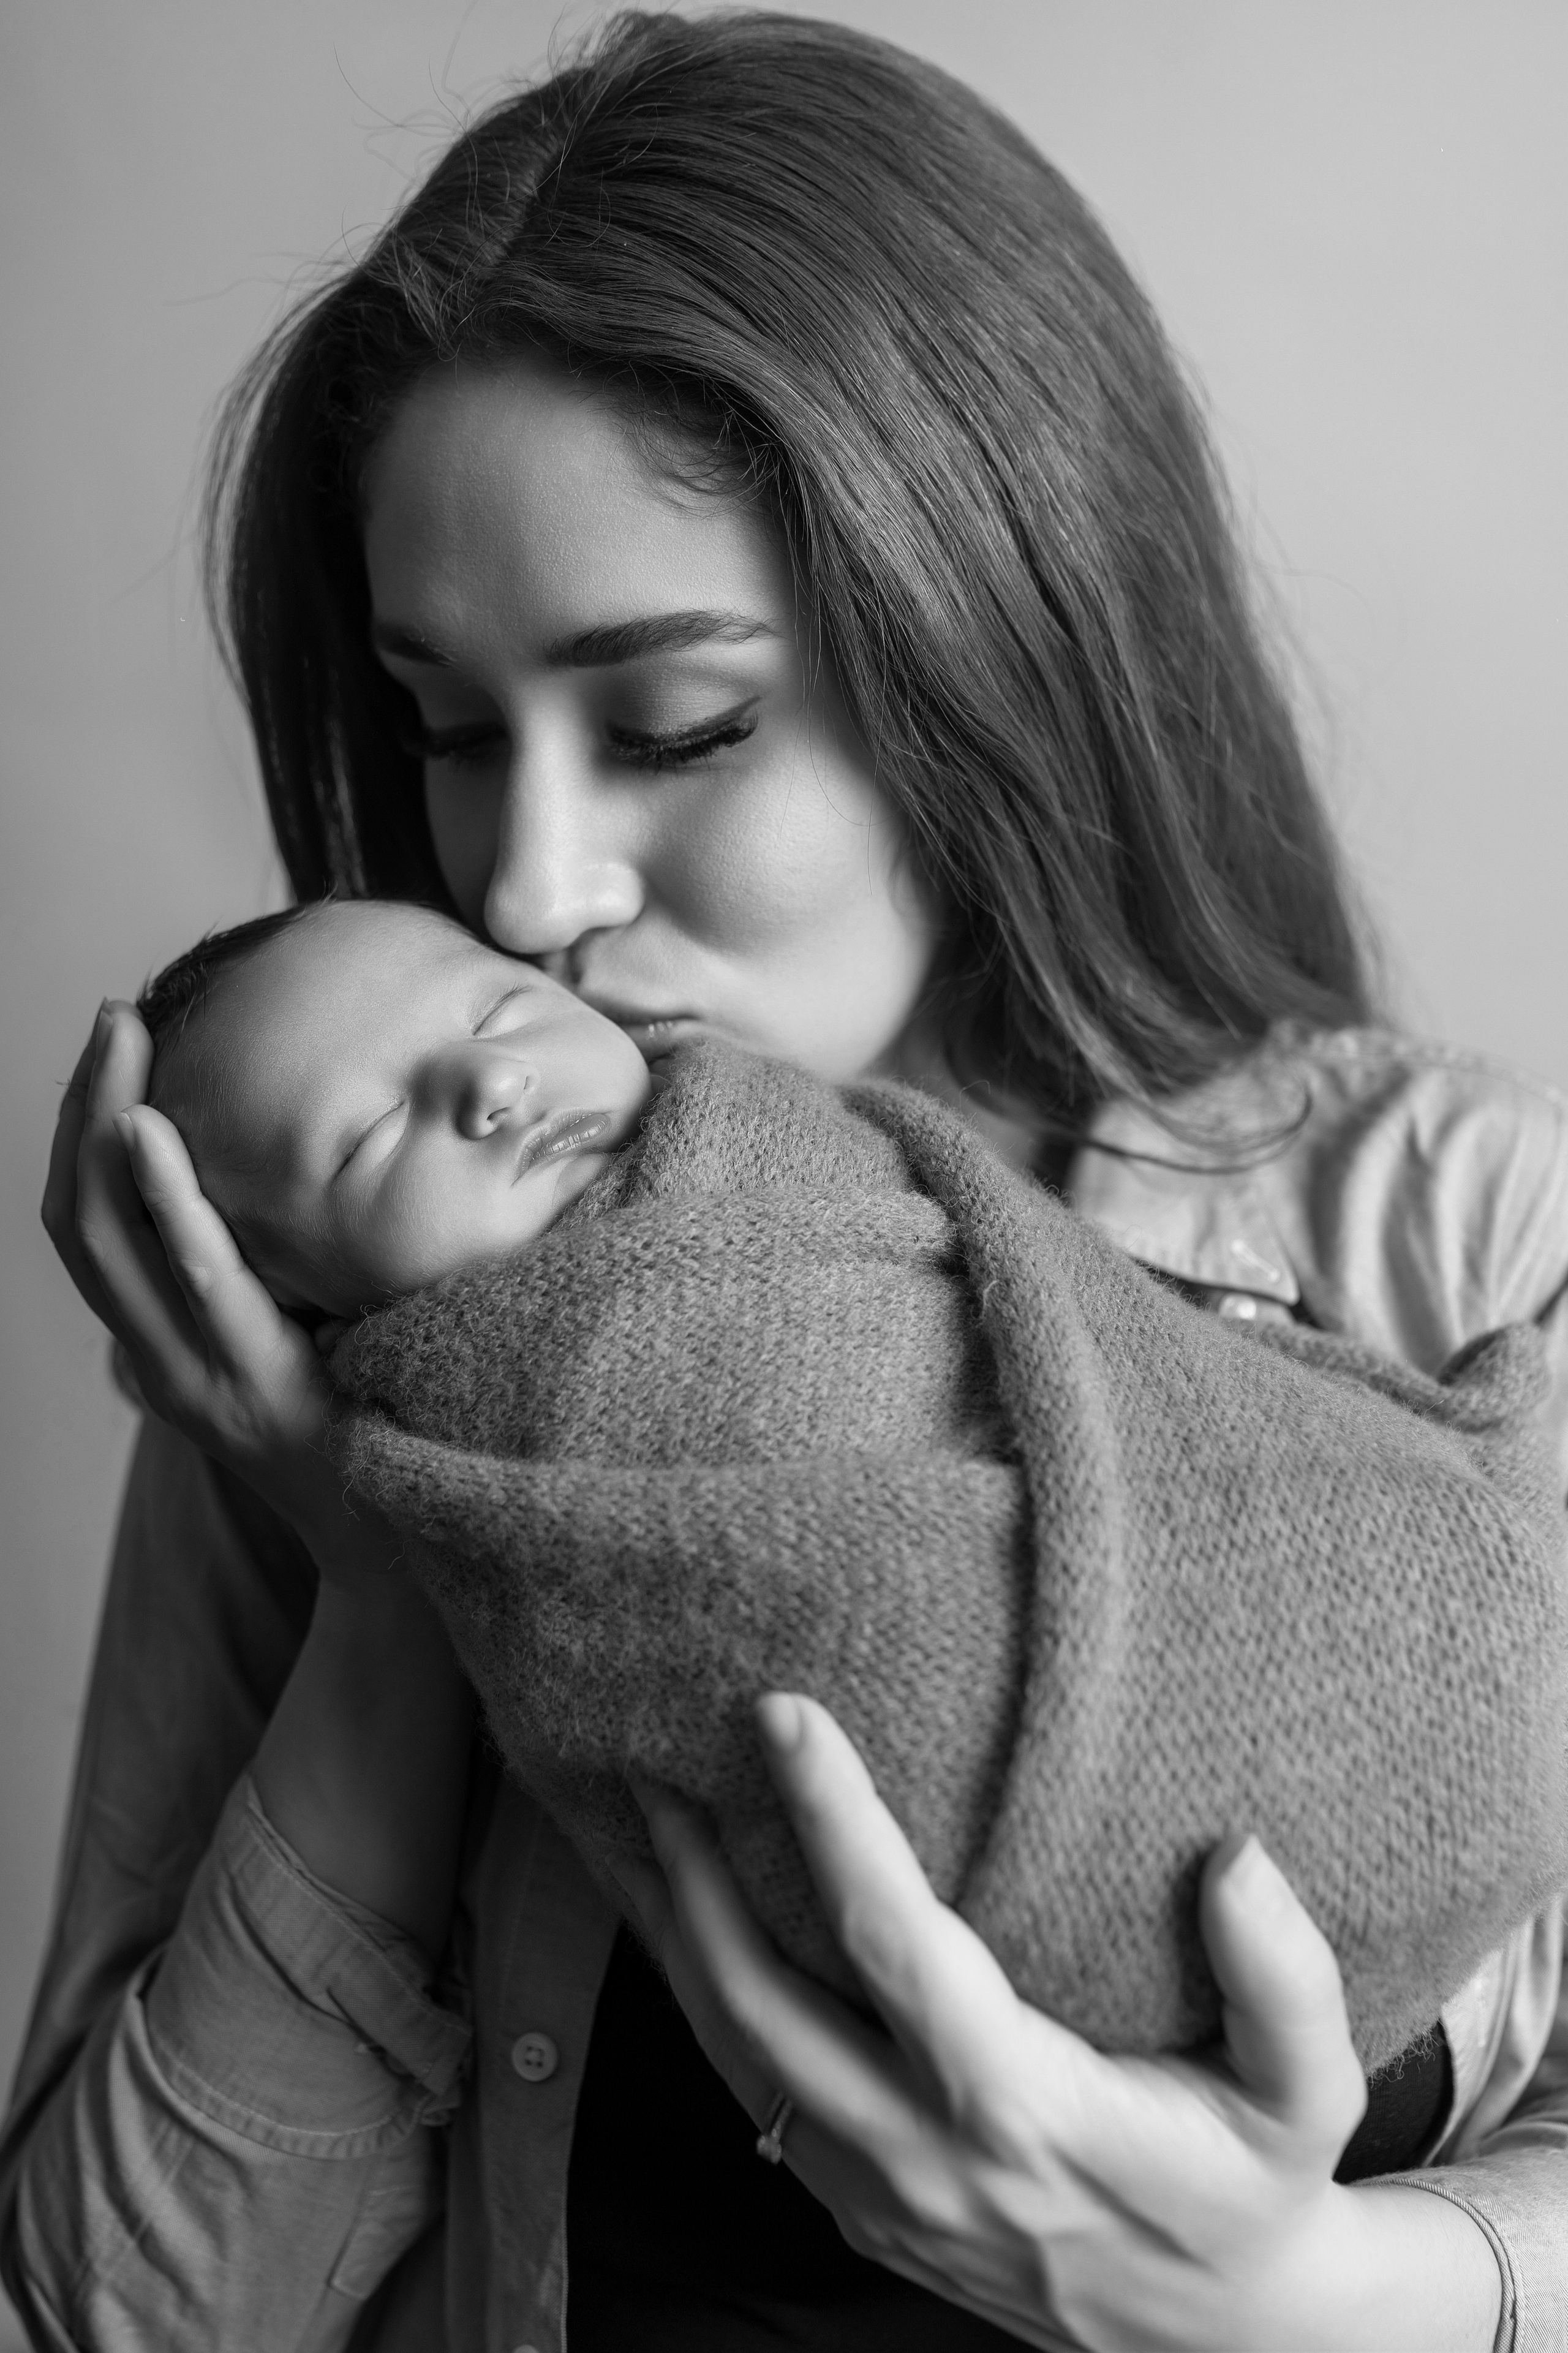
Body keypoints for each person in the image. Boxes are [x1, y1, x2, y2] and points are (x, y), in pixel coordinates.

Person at [7, 10, 1568, 2348]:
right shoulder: (348, 1326)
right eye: (445, 726)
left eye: (675, 728)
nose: (527, 884)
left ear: (992, 651)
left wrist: (1339, 2297)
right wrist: (383, 1571)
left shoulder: (1441, 1237)